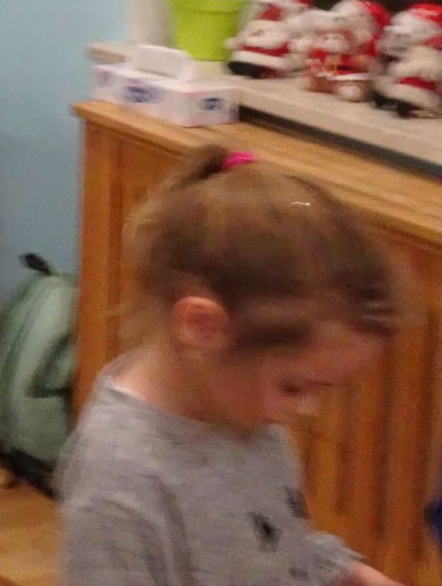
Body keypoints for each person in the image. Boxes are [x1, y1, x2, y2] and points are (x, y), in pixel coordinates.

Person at [58, 146, 404, 586]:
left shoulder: (240, 413)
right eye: (295, 387)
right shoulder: (120, 481)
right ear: (202, 327)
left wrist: (348, 573)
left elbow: (271, 544)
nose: (308, 409)